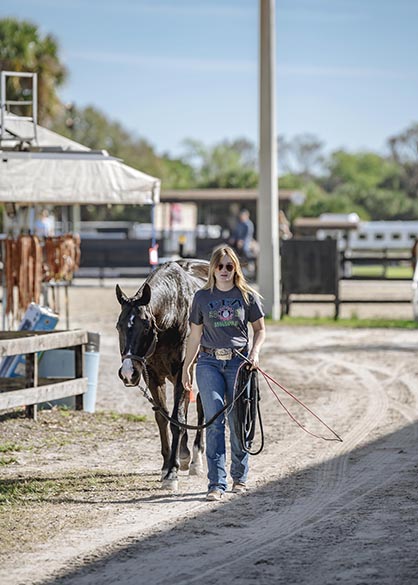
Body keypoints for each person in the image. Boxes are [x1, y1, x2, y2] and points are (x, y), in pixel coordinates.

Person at [182, 244, 266, 501]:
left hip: (239, 364)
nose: (224, 271)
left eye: (229, 266)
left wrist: (255, 353)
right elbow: (194, 336)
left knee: (237, 420)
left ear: (235, 268)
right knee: (214, 422)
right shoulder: (201, 298)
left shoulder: (247, 296)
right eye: (219, 266)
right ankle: (216, 484)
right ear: (212, 269)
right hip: (208, 363)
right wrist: (187, 366)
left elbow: (260, 330)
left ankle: (239, 476)